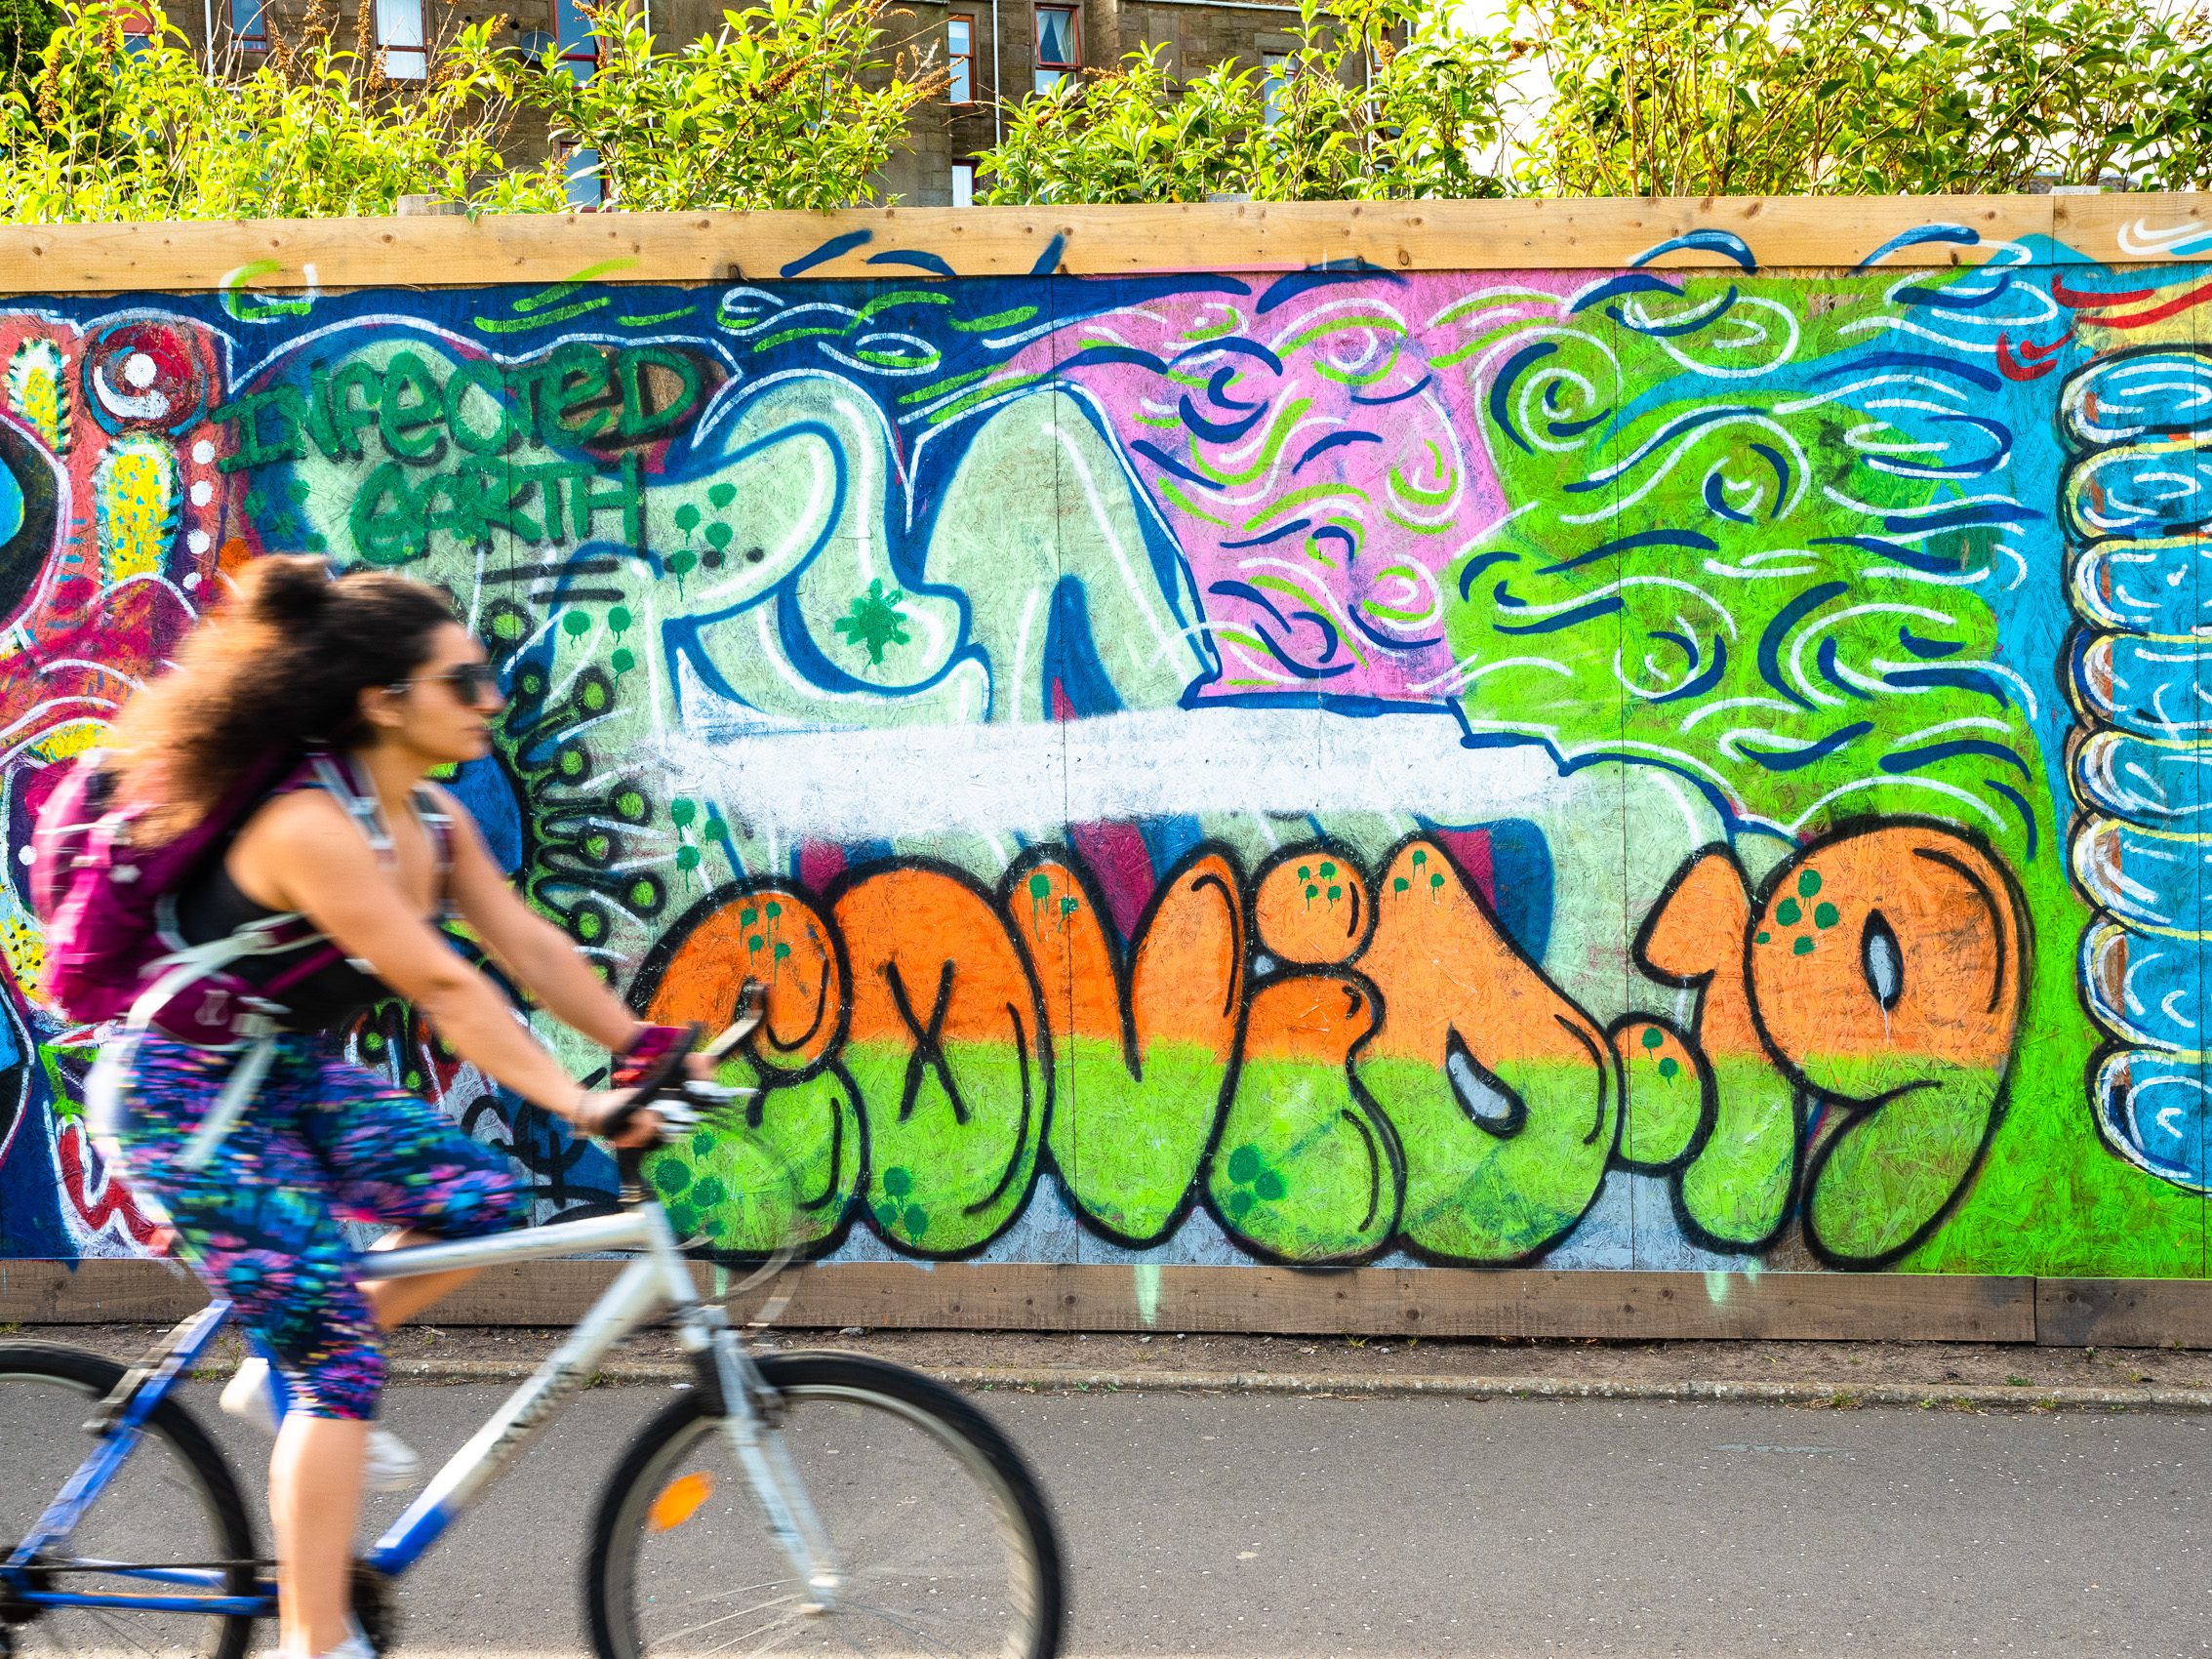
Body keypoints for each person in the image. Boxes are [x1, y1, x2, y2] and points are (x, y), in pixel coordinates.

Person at [91, 555, 674, 1659]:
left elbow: (527, 947)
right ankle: (317, 1640)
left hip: (279, 1072)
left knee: (488, 1197)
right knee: (343, 1363)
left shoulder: (431, 820)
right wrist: (581, 1100)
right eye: (464, 681)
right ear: (383, 700)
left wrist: (638, 1044)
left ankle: (281, 1366)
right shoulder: (311, 826)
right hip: (183, 1098)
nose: (491, 699)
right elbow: (446, 985)